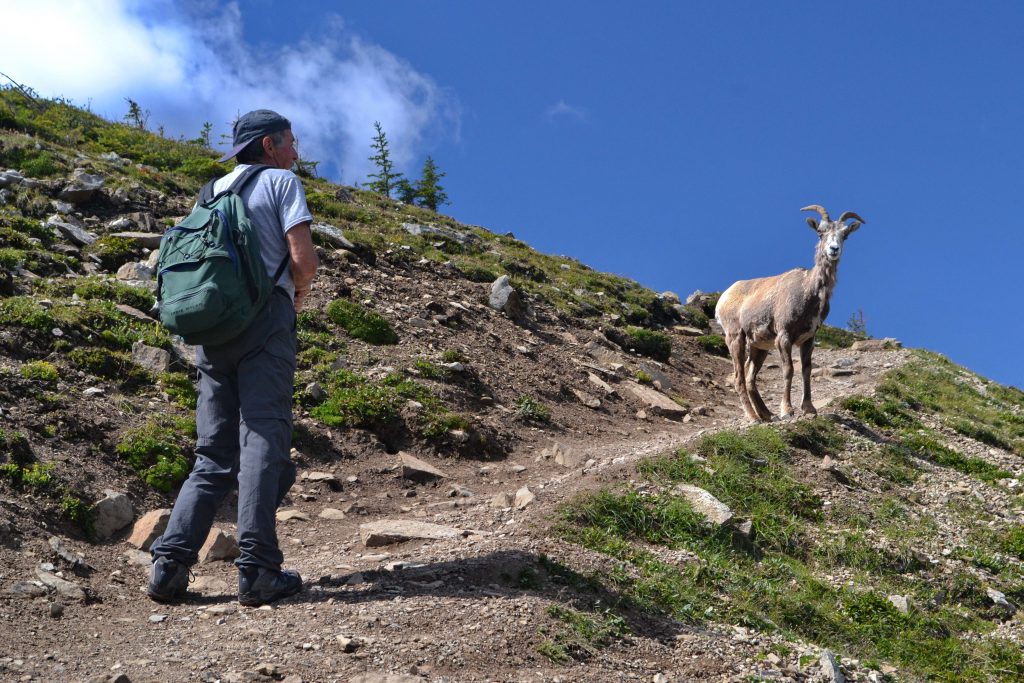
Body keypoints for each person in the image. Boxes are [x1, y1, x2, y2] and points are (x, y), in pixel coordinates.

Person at [148, 109, 318, 606]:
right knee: (264, 434)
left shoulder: (212, 190)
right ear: (269, 145)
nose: (295, 150)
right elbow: (302, 259)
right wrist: (296, 295)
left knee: (213, 453)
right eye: (290, 141)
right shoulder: (282, 184)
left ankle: (169, 567)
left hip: (213, 328)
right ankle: (259, 568)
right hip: (265, 322)